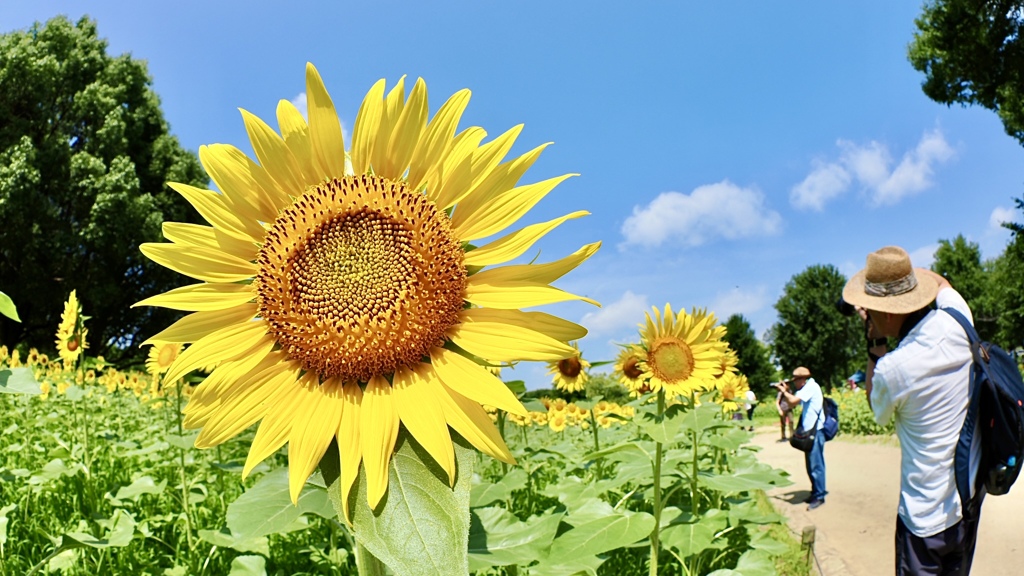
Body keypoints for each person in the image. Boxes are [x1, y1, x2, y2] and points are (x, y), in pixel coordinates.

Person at [842, 245, 980, 575]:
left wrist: (874, 344)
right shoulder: (957, 318)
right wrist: (902, 277)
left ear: (887, 314)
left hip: (922, 521)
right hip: (967, 503)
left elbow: (878, 411)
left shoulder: (895, 368)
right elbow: (943, 284)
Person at [776, 366, 826, 510]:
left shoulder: (811, 387)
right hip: (810, 432)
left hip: (816, 432)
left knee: (816, 465)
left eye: (795, 380)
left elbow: (792, 402)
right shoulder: (807, 388)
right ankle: (815, 491)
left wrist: (784, 391)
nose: (794, 384)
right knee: (811, 465)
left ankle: (819, 495)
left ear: (802, 379)